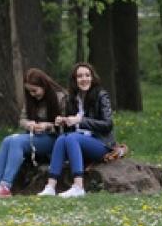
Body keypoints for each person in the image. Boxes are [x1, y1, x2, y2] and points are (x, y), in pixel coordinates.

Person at [0, 68, 68, 198]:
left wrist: (47, 126)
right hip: (35, 136)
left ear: (43, 85)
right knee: (8, 140)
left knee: (16, 142)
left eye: (35, 90)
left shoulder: (60, 98)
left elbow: (66, 125)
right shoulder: (31, 99)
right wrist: (28, 124)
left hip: (54, 139)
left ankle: (6, 186)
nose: (32, 94)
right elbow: (22, 119)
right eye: (29, 91)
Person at [38, 62, 114, 198]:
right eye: (79, 76)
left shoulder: (101, 95)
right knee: (62, 138)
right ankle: (50, 186)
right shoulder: (72, 98)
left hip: (101, 143)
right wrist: (63, 121)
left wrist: (80, 120)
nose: (84, 79)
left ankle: (78, 187)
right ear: (74, 80)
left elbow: (107, 124)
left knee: (72, 137)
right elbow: (70, 127)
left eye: (87, 75)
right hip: (79, 142)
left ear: (92, 77)